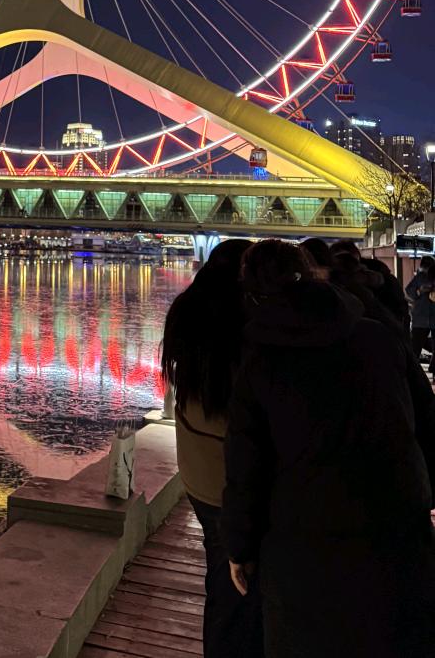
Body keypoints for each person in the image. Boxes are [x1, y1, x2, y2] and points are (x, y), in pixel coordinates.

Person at [223, 239, 435, 657]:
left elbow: (246, 468)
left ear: (252, 294)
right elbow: (425, 420)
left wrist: (240, 547)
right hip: (395, 529)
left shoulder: (260, 362)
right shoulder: (377, 335)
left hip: (302, 546)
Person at [160, 238, 262, 658]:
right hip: (238, 477)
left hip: (199, 474)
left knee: (221, 577)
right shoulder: (250, 324)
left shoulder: (186, 315)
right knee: (242, 586)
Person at [407, 255, 435, 375]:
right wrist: (420, 291)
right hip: (421, 318)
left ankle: (433, 370)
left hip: (433, 318)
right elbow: (409, 290)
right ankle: (412, 372)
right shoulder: (419, 278)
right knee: (416, 346)